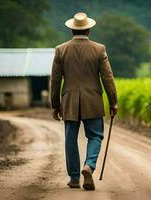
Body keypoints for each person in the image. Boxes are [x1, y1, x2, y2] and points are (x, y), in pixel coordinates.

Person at [50, 12, 118, 191]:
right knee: (95, 136)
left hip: (69, 101)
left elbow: (55, 80)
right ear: (88, 30)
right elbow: (108, 78)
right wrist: (113, 102)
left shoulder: (60, 50)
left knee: (70, 138)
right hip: (93, 100)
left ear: (71, 29)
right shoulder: (99, 49)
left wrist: (55, 105)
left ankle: (74, 178)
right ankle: (88, 166)